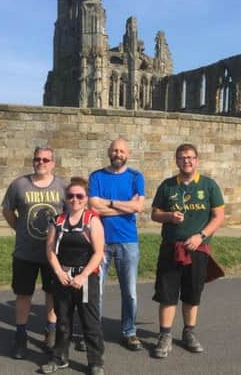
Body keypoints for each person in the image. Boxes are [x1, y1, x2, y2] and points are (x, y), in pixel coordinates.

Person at [150, 143, 225, 358]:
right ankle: (165, 335)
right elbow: (155, 214)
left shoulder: (209, 186)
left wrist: (200, 236)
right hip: (171, 248)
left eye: (191, 157)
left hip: (198, 248)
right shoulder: (167, 186)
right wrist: (169, 217)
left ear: (197, 160)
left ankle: (189, 332)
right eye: (183, 158)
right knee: (167, 293)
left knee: (192, 293)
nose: (187, 161)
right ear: (176, 161)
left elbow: (218, 216)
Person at [1, 146, 67, 359]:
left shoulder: (62, 187)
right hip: (25, 252)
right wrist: (20, 228)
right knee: (23, 294)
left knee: (52, 293)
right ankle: (21, 336)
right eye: (38, 159)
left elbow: (70, 214)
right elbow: (8, 210)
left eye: (46, 160)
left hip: (53, 253)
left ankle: (50, 330)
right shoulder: (19, 185)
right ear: (33, 161)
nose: (41, 163)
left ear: (53, 163)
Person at [42, 177, 105, 375]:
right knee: (62, 320)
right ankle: (59, 358)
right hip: (63, 278)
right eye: (70, 196)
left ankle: (95, 362)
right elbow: (50, 251)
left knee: (90, 321)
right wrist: (59, 272)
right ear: (65, 198)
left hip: (86, 279)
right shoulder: (57, 221)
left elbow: (98, 253)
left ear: (86, 198)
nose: (74, 200)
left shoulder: (92, 220)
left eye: (79, 196)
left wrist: (83, 275)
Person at [88, 138, 145, 351]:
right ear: (108, 152)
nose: (118, 154)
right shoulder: (97, 176)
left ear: (127, 153)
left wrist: (109, 204)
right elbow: (93, 206)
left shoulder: (135, 177)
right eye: (114, 150)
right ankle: (94, 332)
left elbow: (138, 207)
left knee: (129, 291)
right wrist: (125, 207)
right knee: (96, 291)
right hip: (99, 242)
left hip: (128, 241)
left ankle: (129, 332)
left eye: (121, 151)